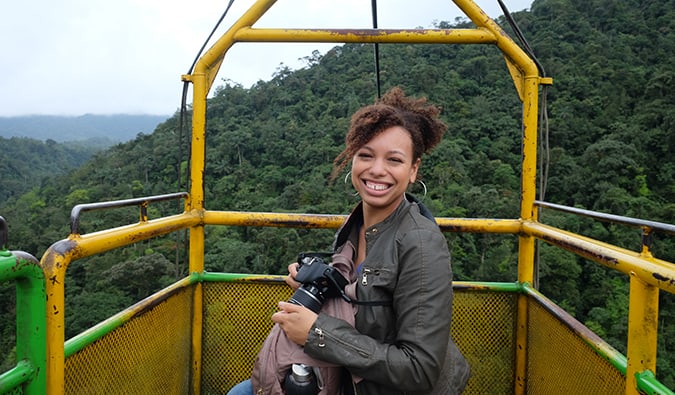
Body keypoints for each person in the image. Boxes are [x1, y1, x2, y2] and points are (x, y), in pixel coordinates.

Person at [229, 87, 470, 394]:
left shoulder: (420, 244)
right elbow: (362, 297)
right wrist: (321, 283)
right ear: (353, 160)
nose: (377, 170)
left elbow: (419, 369)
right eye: (365, 155)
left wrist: (316, 332)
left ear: (413, 170)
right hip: (346, 376)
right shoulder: (356, 225)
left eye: (394, 160)